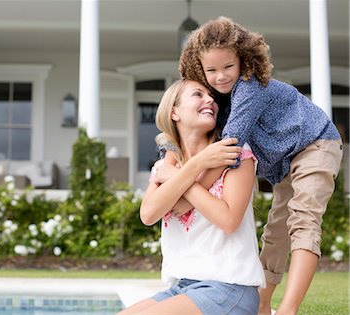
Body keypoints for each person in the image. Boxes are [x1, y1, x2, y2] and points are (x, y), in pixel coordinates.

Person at [174, 16, 343, 315]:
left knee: (304, 221)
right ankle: (263, 307)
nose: (221, 76)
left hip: (316, 144)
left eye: (228, 67)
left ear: (243, 59)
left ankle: (288, 309)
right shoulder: (219, 101)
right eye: (211, 70)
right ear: (199, 68)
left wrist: (186, 189)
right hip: (288, 161)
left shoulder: (250, 85)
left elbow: (229, 149)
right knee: (276, 230)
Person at [117, 79, 265, 315]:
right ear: (174, 112)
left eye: (211, 97)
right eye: (198, 94)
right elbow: (147, 215)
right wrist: (196, 165)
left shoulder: (233, 154)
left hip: (229, 287)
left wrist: (183, 174)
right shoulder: (165, 166)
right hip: (182, 288)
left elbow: (229, 220)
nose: (210, 100)